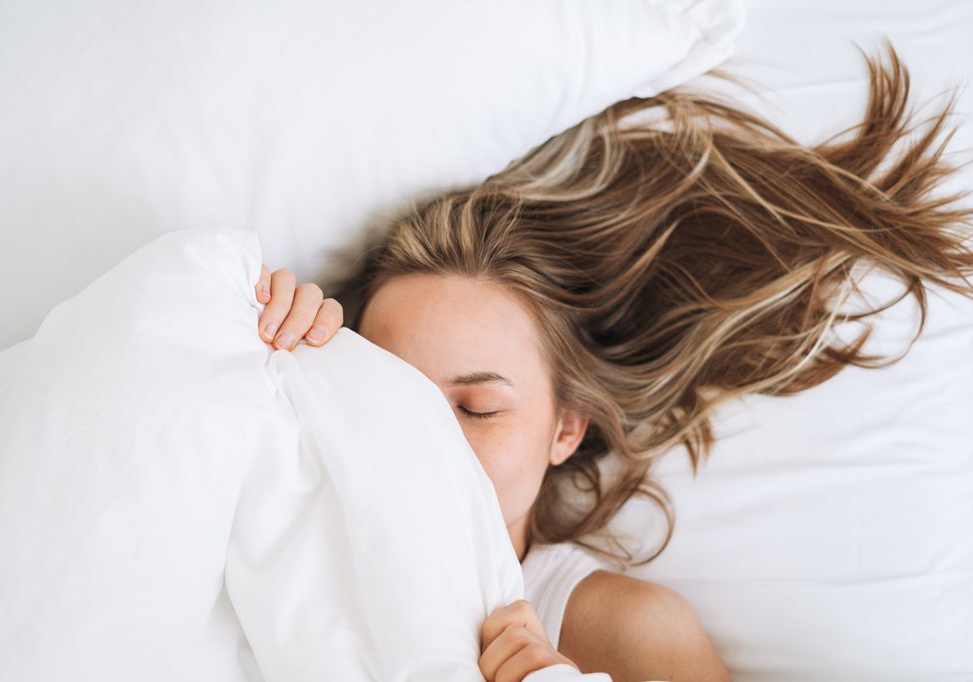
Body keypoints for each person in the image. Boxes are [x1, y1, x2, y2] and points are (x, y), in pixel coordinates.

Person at [247, 45, 973, 682]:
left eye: (476, 408)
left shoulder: (623, 633)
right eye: (393, 392)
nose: (428, 436)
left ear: (565, 429)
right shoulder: (281, 510)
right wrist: (253, 341)